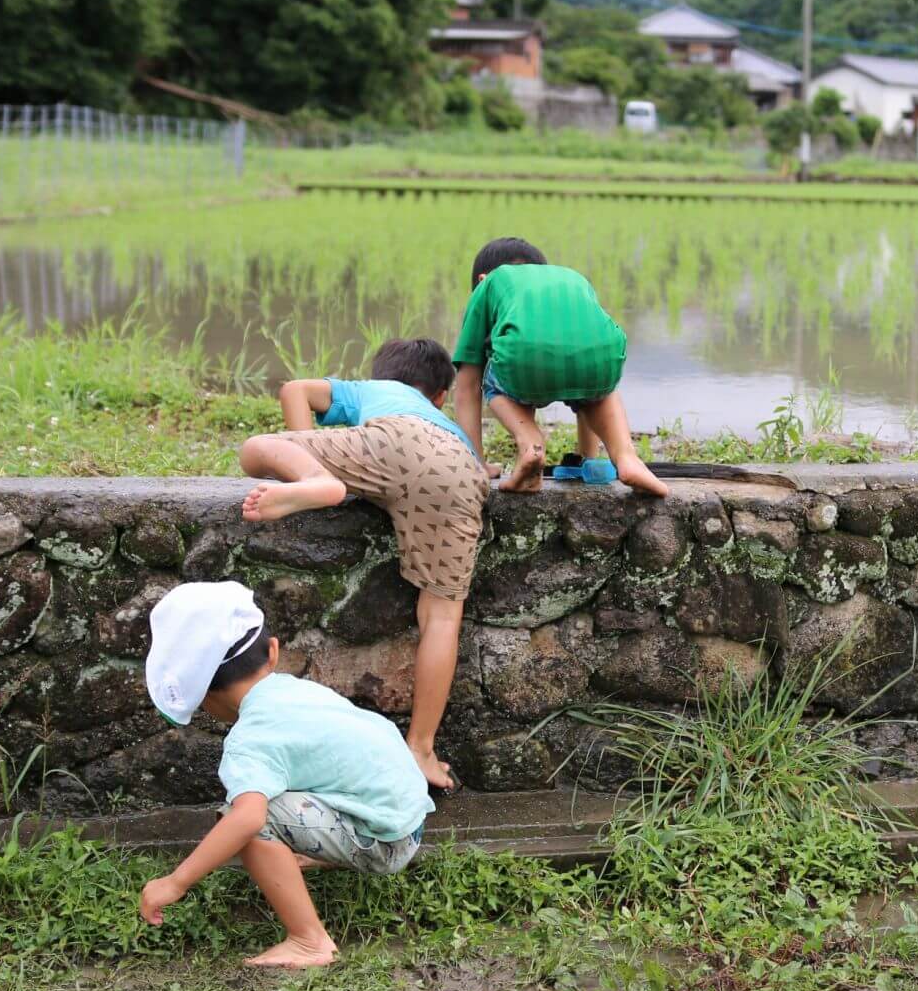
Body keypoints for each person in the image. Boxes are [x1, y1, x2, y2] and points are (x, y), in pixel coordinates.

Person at [137, 581, 434, 968]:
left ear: (204, 698)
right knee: (267, 800)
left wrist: (175, 882)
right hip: (410, 816)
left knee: (242, 819)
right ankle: (326, 852)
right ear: (273, 651)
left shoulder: (248, 743)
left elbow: (248, 819)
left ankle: (309, 941)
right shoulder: (296, 692)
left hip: (386, 842)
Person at [237, 337, 487, 790]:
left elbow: (294, 389)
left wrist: (307, 450)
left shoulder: (368, 391)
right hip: (459, 467)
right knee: (442, 615)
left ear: (380, 374)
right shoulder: (447, 424)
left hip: (392, 441)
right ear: (441, 397)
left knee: (256, 448)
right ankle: (422, 749)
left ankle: (315, 481)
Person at [451, 237, 668, 498]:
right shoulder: (570, 278)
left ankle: (530, 443)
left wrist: (477, 466)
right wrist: (586, 458)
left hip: (524, 358)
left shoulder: (490, 285)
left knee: (494, 372)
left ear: (482, 280)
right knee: (597, 385)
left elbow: (467, 387)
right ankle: (624, 458)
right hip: (604, 354)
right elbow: (584, 343)